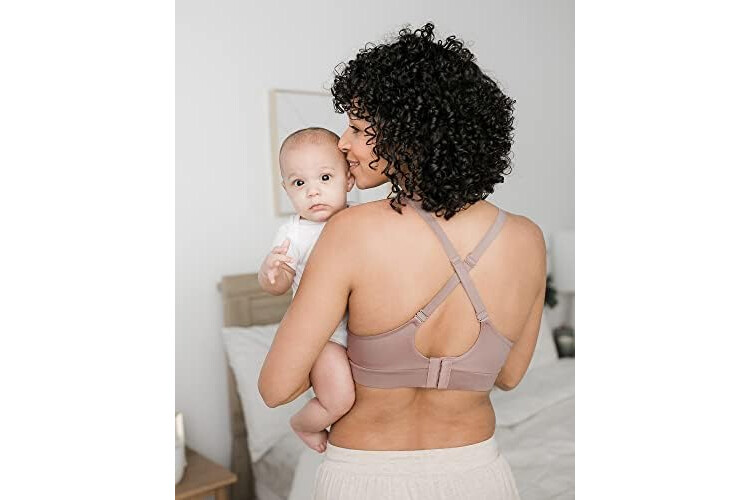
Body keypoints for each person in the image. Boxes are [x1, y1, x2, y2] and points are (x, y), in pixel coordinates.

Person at [259, 23, 546, 499]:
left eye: (357, 128)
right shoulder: (527, 238)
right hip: (478, 475)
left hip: (365, 477)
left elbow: (276, 387)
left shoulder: (350, 231)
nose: (343, 143)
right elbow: (510, 376)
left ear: (407, 133)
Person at [258, 127, 356, 453]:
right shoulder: (294, 234)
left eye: (325, 178)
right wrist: (272, 274)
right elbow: (279, 283)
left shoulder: (362, 221)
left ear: (348, 179)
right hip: (325, 338)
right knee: (339, 398)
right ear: (287, 189)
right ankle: (303, 424)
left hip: (363, 331)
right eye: (299, 183)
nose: (313, 192)